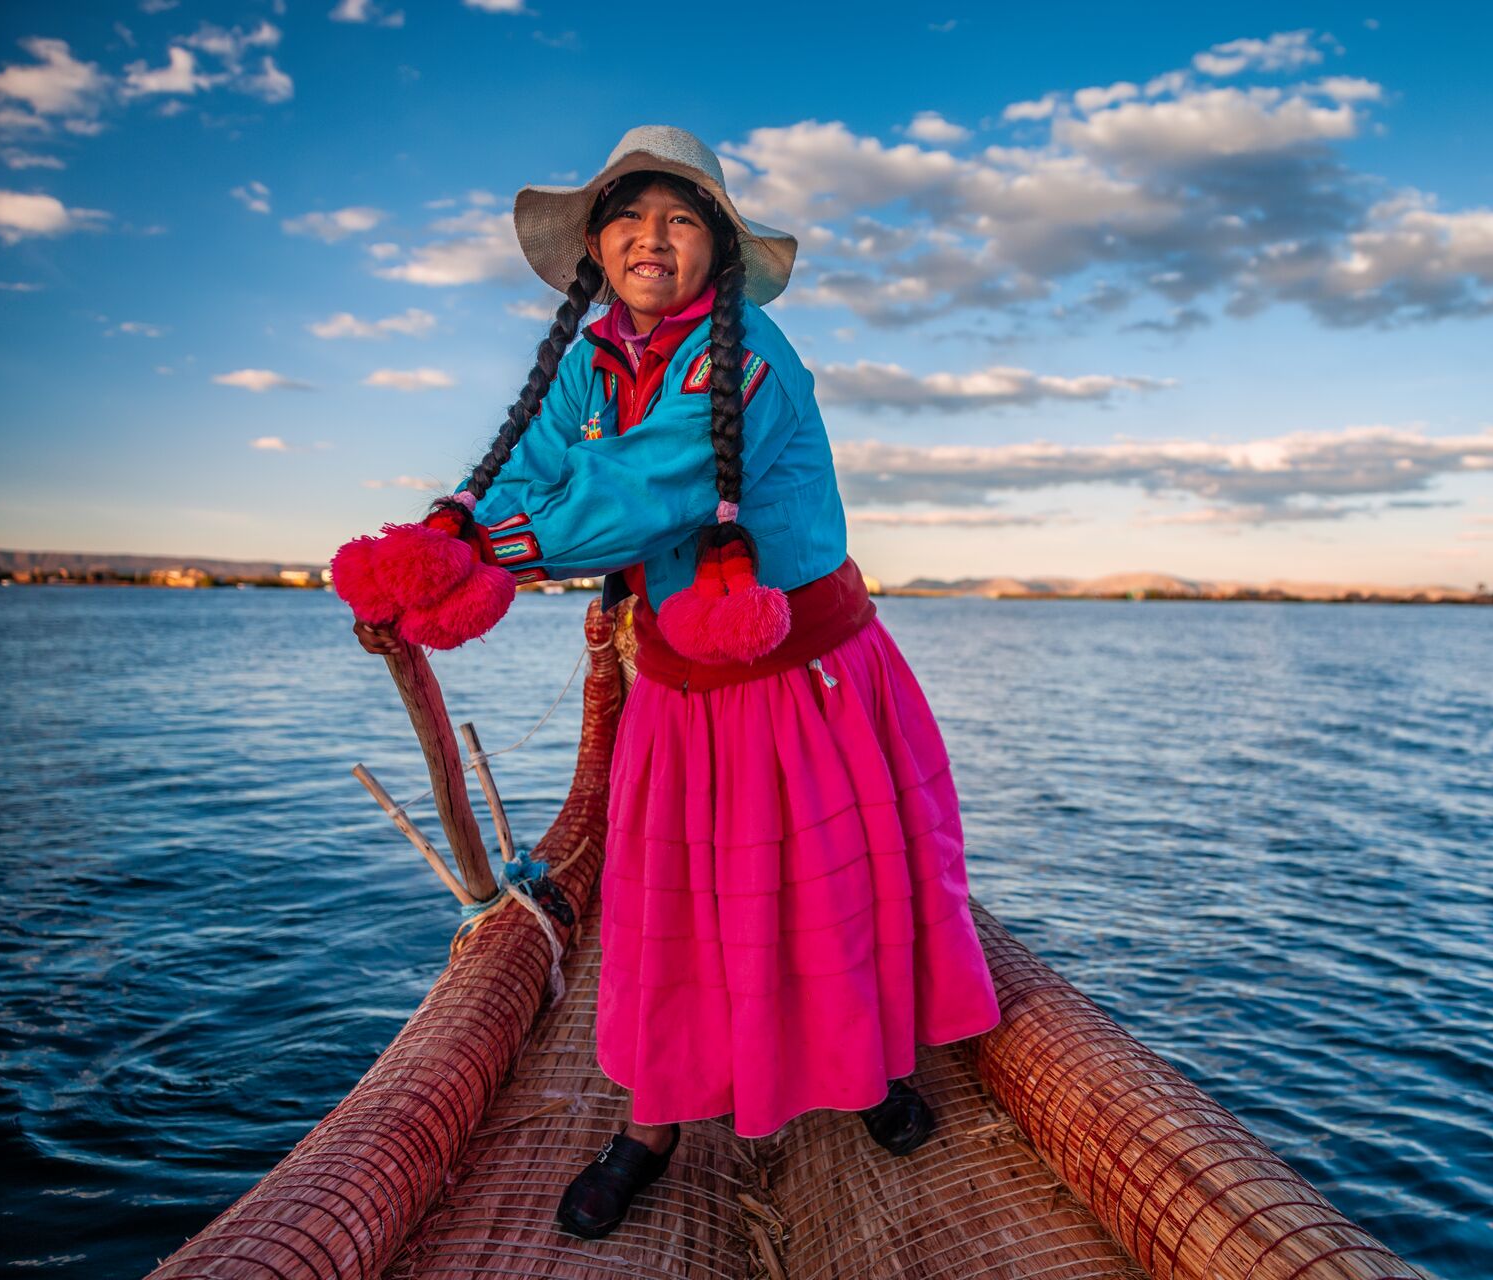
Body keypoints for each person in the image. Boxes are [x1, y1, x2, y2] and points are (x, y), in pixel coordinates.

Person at [346, 125, 1002, 1241]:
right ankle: (653, 1124)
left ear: (718, 253)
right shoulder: (595, 355)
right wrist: (433, 537)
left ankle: (871, 1071)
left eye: (683, 217)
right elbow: (533, 466)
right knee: (666, 909)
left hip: (804, 674)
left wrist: (476, 558)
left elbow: (638, 492)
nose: (654, 236)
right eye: (630, 216)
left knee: (831, 884)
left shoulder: (748, 359)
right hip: (685, 679)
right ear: (596, 245)